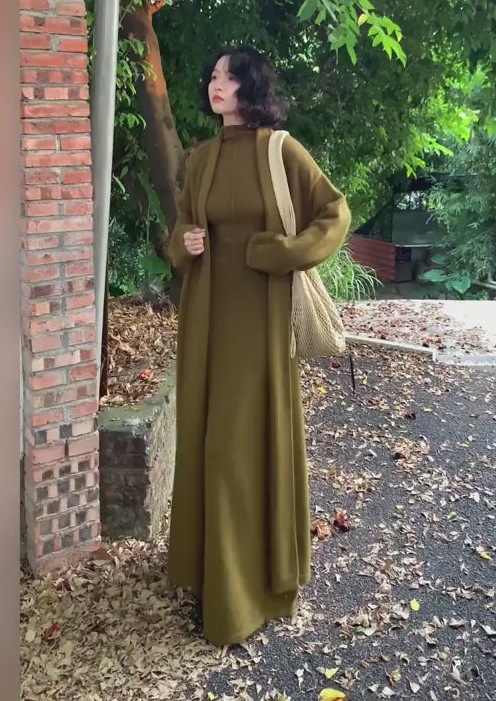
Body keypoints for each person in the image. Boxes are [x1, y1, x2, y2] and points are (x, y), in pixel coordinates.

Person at [166, 45, 351, 646]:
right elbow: (181, 228)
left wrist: (285, 253)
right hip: (206, 320)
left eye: (227, 75)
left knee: (236, 447)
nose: (214, 83)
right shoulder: (201, 159)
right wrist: (185, 242)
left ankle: (248, 592)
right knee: (206, 440)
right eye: (212, 75)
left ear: (249, 86)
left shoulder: (281, 150)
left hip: (262, 321)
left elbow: (334, 212)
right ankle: (212, 579)